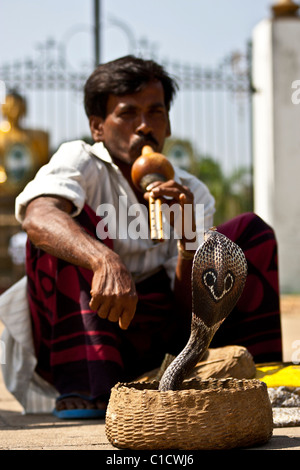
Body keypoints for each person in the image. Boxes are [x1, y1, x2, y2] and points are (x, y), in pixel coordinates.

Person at [0, 56, 282, 419]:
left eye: (155, 112)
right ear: (98, 126)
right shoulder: (81, 160)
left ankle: (261, 376)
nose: (144, 126)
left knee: (250, 233)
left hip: (159, 336)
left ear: (168, 122)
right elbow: (38, 215)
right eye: (128, 113)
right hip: (93, 329)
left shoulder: (190, 190)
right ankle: (87, 384)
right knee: (60, 225)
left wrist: (188, 242)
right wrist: (104, 259)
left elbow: (185, 312)